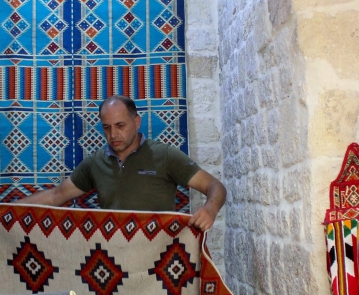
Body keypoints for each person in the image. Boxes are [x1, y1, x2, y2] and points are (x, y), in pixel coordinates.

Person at [17, 95, 227, 231]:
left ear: (136, 122)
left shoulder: (164, 155)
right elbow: (56, 195)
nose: (113, 134)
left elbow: (214, 186)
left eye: (120, 125)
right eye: (107, 127)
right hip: (113, 261)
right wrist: (2, 210)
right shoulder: (95, 163)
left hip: (159, 258)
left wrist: (210, 209)